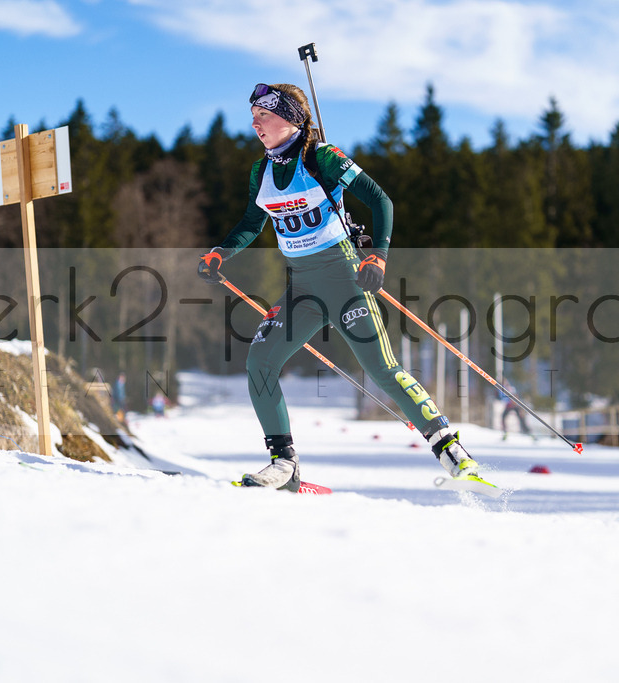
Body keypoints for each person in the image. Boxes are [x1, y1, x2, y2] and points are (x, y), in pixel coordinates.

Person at [198, 82, 481, 491]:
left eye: (265, 115)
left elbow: (381, 200)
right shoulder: (261, 170)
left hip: (344, 278)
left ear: (291, 118)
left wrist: (377, 257)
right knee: (260, 361)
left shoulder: (322, 158)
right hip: (302, 289)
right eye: (254, 118)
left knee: (381, 369)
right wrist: (221, 253)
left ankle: (451, 450)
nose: (256, 124)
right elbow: (251, 222)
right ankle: (284, 464)